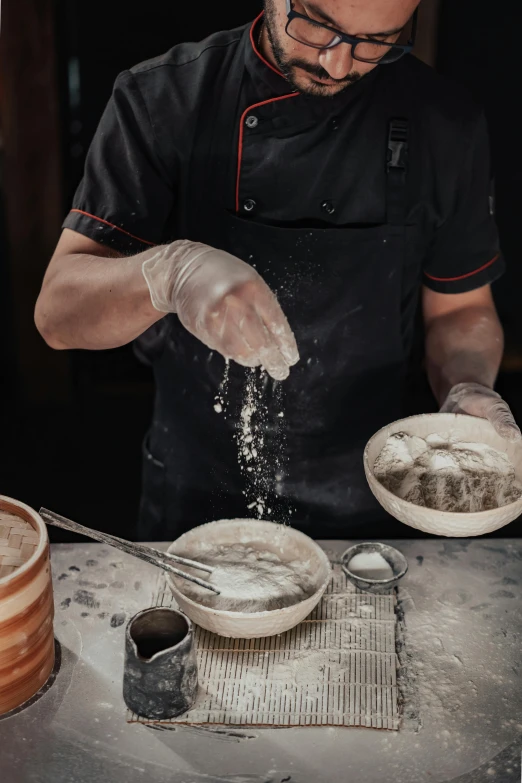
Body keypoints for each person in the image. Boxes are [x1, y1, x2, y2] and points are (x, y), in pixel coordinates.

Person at [35, 0, 520, 540]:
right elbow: (58, 314)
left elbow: (462, 308)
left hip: (375, 489)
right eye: (318, 26)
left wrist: (468, 384)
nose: (339, 65)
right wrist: (168, 274)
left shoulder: (444, 121)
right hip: (197, 494)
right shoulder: (163, 99)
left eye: (377, 42)